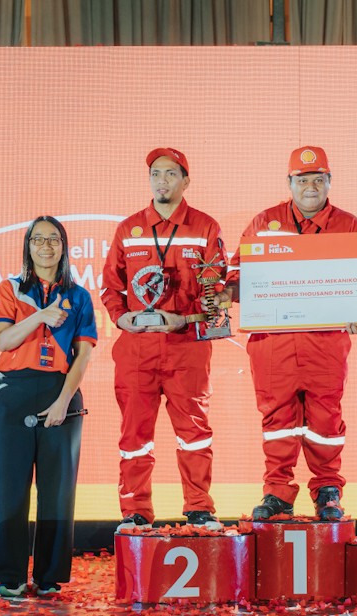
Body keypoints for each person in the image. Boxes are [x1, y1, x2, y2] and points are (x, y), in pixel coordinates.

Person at [220, 146, 357, 522]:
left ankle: (328, 490)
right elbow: (236, 275)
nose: (311, 186)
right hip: (274, 343)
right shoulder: (263, 222)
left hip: (325, 343)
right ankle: (277, 493)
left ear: (330, 181)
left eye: (318, 178)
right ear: (289, 183)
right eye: (302, 180)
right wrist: (222, 292)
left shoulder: (349, 226)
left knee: (326, 419)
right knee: (276, 419)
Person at [100, 148, 226, 533]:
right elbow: (111, 287)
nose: (162, 180)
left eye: (171, 173)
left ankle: (199, 509)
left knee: (194, 432)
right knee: (134, 436)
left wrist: (183, 318)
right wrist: (124, 318)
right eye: (156, 173)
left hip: (187, 346)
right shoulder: (129, 229)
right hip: (137, 349)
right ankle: (135, 511)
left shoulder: (205, 227)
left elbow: (217, 293)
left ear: (186, 181)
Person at [0, 217, 97, 598]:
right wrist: (39, 315)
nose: (46, 246)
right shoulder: (10, 289)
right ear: (27, 246)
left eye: (54, 239)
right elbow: (4, 340)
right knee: (11, 489)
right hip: (12, 393)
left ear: (64, 247)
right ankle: (11, 576)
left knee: (57, 491)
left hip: (60, 391)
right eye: (38, 239)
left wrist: (63, 402)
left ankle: (50, 577)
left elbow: (82, 356)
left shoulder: (79, 296)